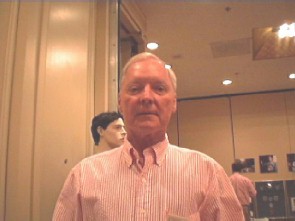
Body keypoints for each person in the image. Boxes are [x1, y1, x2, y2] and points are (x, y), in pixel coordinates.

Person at [53, 52, 244, 220]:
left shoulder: (208, 174)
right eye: (135, 89)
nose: (146, 97)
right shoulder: (82, 177)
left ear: (174, 103)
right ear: (120, 103)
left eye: (159, 88)